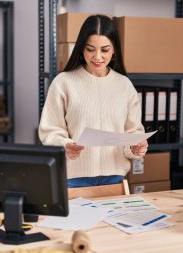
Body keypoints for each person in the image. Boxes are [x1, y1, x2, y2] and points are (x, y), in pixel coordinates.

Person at [39, 14, 148, 187]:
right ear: (82, 49)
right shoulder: (63, 82)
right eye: (90, 49)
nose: (97, 56)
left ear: (114, 50)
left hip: (114, 179)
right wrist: (66, 145)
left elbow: (132, 132)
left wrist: (135, 148)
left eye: (105, 50)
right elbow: (49, 131)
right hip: (72, 179)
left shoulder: (124, 85)